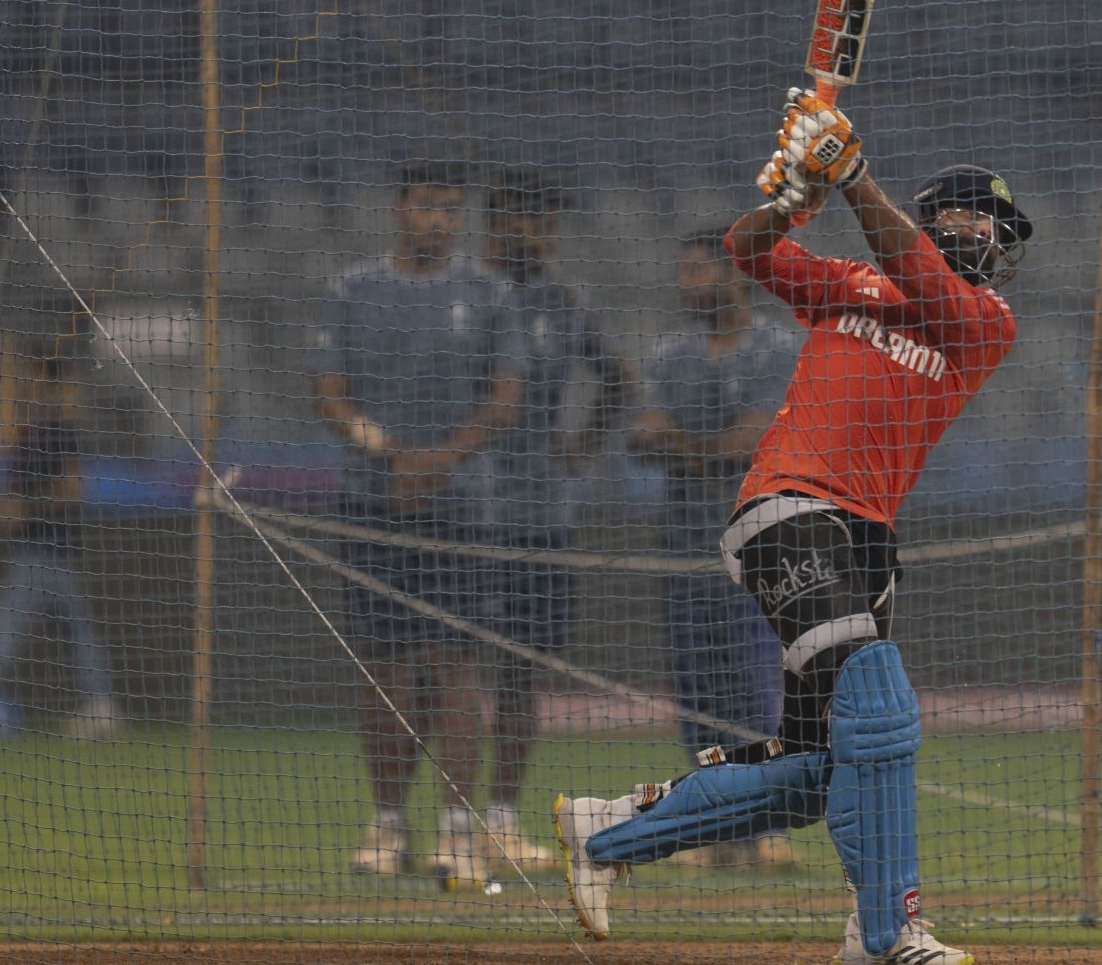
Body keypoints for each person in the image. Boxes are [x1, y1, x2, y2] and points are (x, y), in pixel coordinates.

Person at [555, 89, 1031, 965]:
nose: (993, 238)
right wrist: (794, 199)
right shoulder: (850, 283)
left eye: (999, 227)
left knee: (822, 767)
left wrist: (851, 177)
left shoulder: (985, 324)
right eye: (979, 216)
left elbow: (924, 279)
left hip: (866, 540)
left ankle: (609, 830)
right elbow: (746, 252)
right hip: (789, 506)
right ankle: (892, 931)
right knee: (881, 708)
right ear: (937, 218)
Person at [315, 160, 522, 885]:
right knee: (385, 665)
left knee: (458, 665)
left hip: (463, 503)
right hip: (374, 504)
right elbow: (332, 396)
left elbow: (504, 398)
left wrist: (439, 459)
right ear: (399, 208)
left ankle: (458, 828)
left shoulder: (489, 293)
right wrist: (389, 451)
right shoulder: (354, 289)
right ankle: (387, 822)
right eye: (427, 205)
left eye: (451, 208)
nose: (439, 219)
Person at [628, 229, 799, 870]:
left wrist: (684, 442)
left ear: (736, 275)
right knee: (697, 690)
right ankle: (709, 823)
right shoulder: (672, 351)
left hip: (759, 547)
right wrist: (706, 446)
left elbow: (752, 442)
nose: (686, 284)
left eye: (699, 271)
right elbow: (640, 436)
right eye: (684, 271)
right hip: (683, 546)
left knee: (754, 687)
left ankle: (762, 825)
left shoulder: (776, 348)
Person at [478, 173, 630, 873]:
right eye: (525, 221)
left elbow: (619, 379)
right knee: (437, 667)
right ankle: (427, 822)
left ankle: (500, 818)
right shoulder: (468, 293)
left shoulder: (566, 302)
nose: (539, 236)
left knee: (519, 675)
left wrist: (580, 446)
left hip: (541, 513)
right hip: (465, 508)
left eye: (548, 224)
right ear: (496, 226)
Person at [0, 349, 119, 735]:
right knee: (75, 633)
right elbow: (11, 497)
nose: (20, 386)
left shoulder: (60, 432)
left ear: (45, 384)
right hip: (34, 551)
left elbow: (71, 488)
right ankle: (101, 704)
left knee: (6, 634)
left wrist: (24, 510)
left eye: (27, 379)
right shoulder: (24, 436)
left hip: (48, 552)